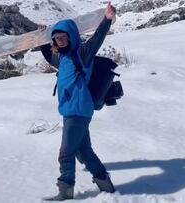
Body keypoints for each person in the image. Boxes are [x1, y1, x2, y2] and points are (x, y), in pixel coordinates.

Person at [39, 2, 117, 201]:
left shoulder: (82, 55)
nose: (60, 41)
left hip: (78, 110)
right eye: (57, 39)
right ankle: (105, 184)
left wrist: (107, 19)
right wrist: (42, 40)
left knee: (66, 153)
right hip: (70, 111)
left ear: (71, 37)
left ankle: (65, 191)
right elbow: (50, 57)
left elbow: (96, 40)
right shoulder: (62, 58)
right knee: (84, 152)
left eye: (63, 37)